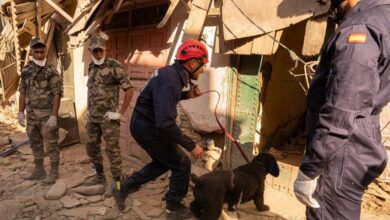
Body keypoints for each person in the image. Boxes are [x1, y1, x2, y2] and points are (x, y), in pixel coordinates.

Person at [294, 0, 390, 219]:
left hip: (343, 146)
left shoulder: (360, 28)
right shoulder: (384, 17)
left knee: (330, 210)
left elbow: (342, 107)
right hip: (361, 131)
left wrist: (311, 169)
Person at [113, 39, 207, 217]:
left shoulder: (171, 75)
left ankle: (124, 186)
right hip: (148, 128)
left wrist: (187, 95)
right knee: (182, 163)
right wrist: (191, 145)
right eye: (203, 65)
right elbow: (165, 124)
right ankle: (173, 206)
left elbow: (162, 101)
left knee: (166, 161)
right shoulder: (171, 80)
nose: (203, 69)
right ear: (193, 63)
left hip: (145, 124)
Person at [84, 35, 134, 194]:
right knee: (91, 147)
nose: (98, 53)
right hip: (93, 117)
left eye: (100, 50)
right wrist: (88, 110)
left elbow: (130, 90)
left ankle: (118, 183)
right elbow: (91, 90)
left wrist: (119, 113)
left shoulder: (114, 66)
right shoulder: (91, 66)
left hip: (108, 118)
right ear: (90, 51)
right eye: (94, 50)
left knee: (112, 150)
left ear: (105, 49)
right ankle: (99, 176)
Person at [18, 38, 63, 185]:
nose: (39, 54)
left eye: (42, 51)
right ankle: (39, 170)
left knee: (51, 144)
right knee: (35, 142)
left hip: (46, 116)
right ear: (31, 52)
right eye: (36, 51)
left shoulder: (51, 70)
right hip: (31, 115)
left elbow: (57, 93)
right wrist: (20, 112)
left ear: (45, 52)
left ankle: (54, 173)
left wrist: (54, 115)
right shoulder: (26, 70)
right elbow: (23, 92)